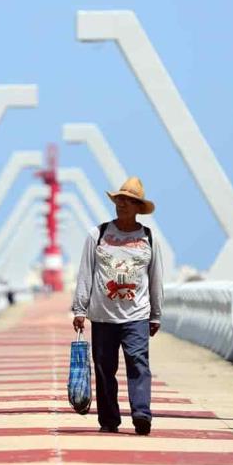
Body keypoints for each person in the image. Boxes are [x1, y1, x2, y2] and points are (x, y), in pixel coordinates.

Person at [72, 177, 164, 436]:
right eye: (119, 200)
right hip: (103, 316)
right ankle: (109, 419)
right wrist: (80, 309)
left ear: (138, 207)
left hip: (137, 315)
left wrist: (156, 314)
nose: (122, 204)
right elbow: (85, 273)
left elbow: (155, 276)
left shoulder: (148, 237)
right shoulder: (98, 234)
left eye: (129, 201)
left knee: (138, 363)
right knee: (104, 368)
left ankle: (141, 413)